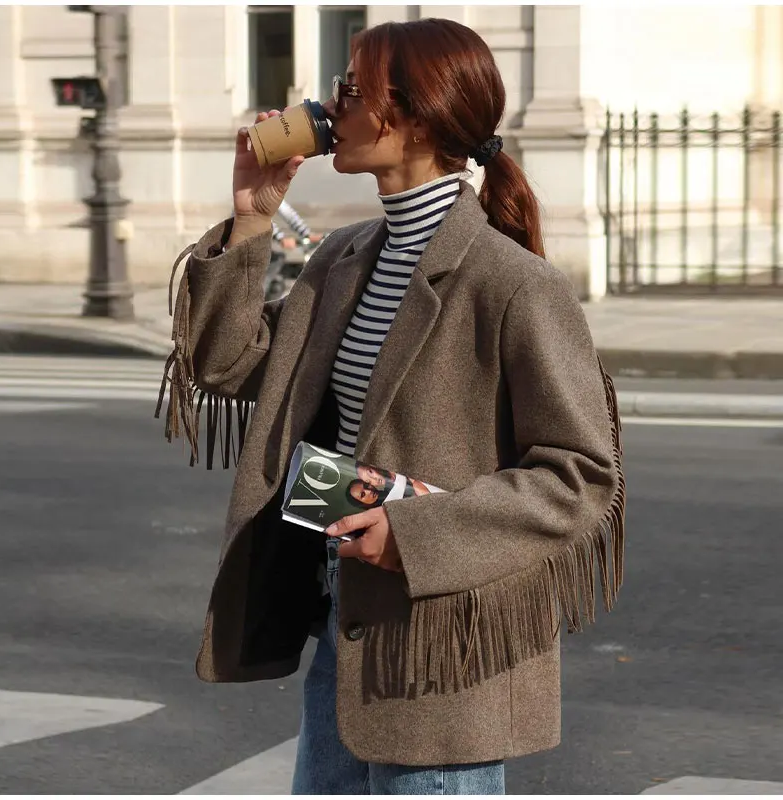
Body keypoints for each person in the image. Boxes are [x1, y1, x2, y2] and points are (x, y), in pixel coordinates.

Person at [157, 17, 626, 796]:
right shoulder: (344, 258)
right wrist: (252, 215)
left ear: (415, 114)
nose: (329, 106)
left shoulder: (512, 284)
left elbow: (579, 476)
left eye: (352, 89)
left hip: (444, 645)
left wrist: (412, 532)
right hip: (347, 627)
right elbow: (229, 364)